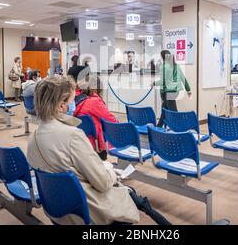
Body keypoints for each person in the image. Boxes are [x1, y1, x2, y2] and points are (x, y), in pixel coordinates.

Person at [27, 76, 170, 225]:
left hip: (57, 211)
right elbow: (102, 182)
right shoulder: (73, 136)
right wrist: (108, 169)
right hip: (85, 212)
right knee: (128, 193)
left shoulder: (33, 138)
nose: (74, 103)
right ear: (61, 106)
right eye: (71, 100)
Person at [74, 75, 116, 161]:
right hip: (95, 144)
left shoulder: (73, 98)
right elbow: (112, 121)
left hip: (78, 140)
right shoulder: (95, 102)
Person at [153, 50, 191, 127]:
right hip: (174, 92)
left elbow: (163, 81)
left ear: (163, 57)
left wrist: (154, 83)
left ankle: (180, 127)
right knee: (164, 110)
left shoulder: (164, 67)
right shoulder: (176, 65)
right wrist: (188, 89)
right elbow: (183, 78)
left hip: (168, 92)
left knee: (173, 111)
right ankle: (159, 126)